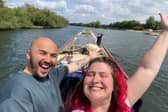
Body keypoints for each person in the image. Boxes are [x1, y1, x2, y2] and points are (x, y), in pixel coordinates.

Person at [65, 12, 168, 112]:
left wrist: (166, 31)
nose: (95, 79)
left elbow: (147, 68)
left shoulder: (124, 101)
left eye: (103, 75)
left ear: (115, 85)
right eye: (90, 74)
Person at [0, 37, 99, 112]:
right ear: (29, 55)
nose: (48, 60)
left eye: (53, 55)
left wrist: (90, 57)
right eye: (42, 53)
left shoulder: (52, 75)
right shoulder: (17, 93)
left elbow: (72, 66)